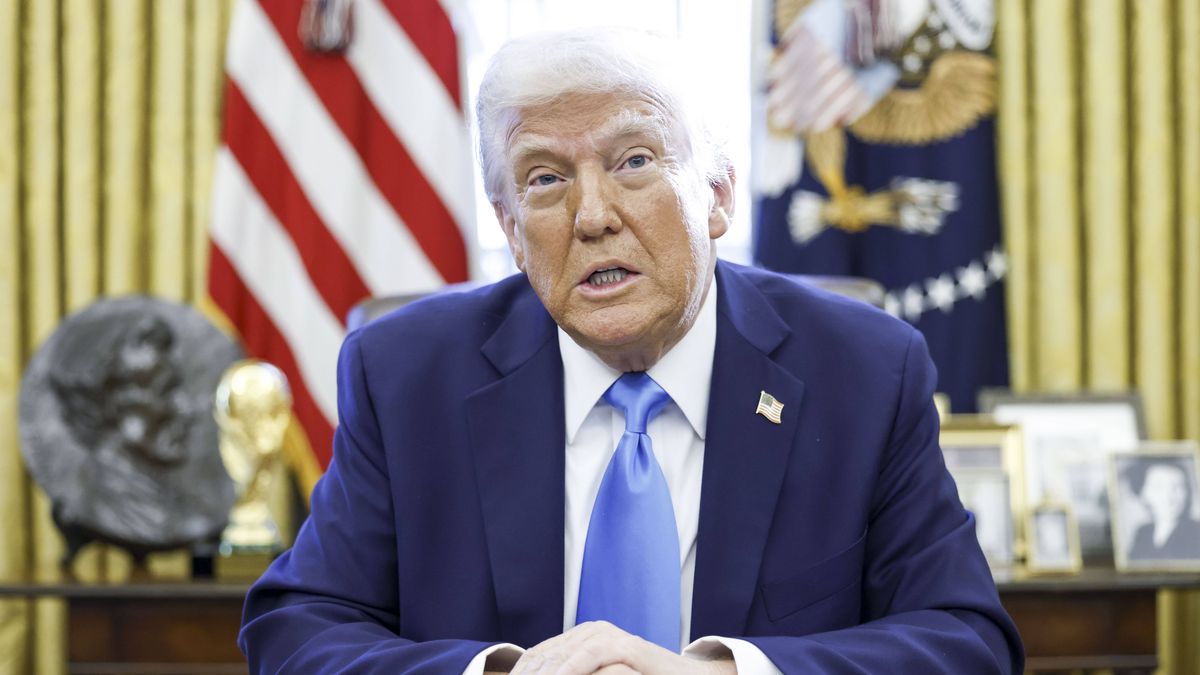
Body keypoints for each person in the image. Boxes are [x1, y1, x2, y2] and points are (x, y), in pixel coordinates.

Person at [239, 27, 1023, 674]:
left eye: (634, 162)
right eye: (544, 179)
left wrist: (727, 674)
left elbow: (966, 641)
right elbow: (299, 627)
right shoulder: (406, 375)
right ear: (511, 231)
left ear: (716, 196)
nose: (592, 215)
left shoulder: (863, 371)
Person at [1127, 459, 1200, 562]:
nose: (1169, 497)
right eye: (1159, 487)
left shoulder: (1196, 532)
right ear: (1143, 494)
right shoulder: (1143, 533)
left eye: (1178, 486)